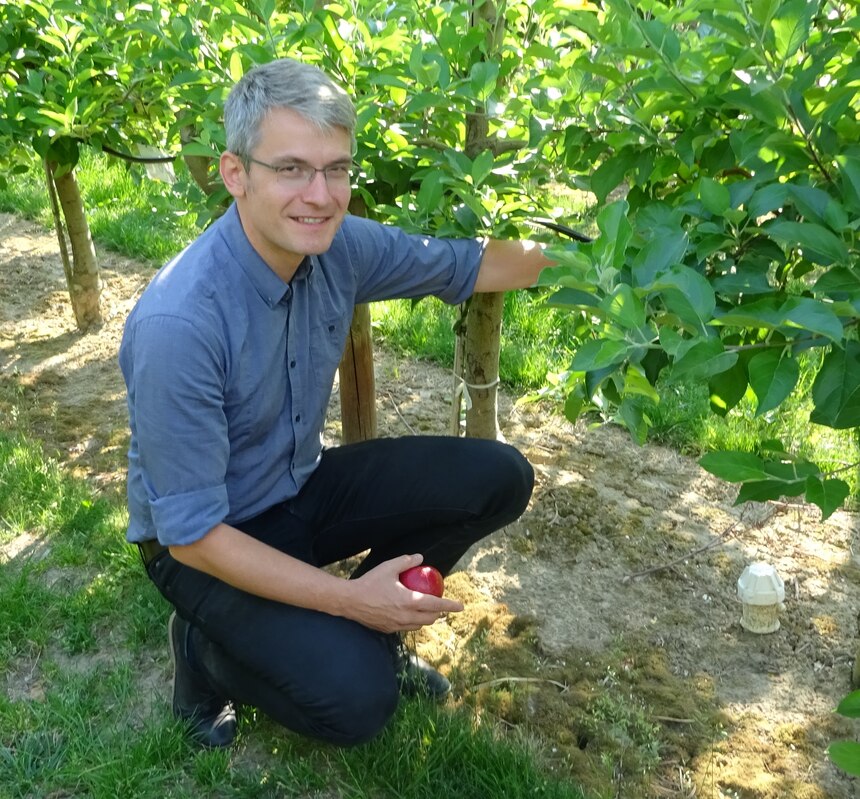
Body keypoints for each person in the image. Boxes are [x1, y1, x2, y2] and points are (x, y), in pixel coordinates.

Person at [119, 58, 554, 749]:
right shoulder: (180, 325)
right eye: (291, 168)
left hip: (297, 486)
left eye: (337, 168)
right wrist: (353, 601)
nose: (319, 195)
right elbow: (191, 533)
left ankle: (356, 631)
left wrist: (613, 265)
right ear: (236, 173)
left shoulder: (338, 246)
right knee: (357, 703)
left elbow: (466, 263)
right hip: (205, 544)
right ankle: (204, 650)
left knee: (499, 476)